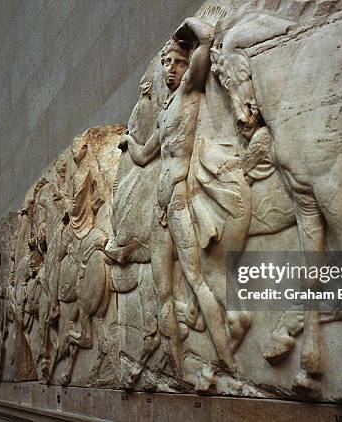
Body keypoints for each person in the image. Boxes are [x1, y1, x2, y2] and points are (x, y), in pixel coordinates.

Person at [118, 17, 236, 374]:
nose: (170, 68)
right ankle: (179, 369)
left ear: (185, 66)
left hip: (182, 199)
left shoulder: (188, 92)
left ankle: (227, 360)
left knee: (197, 281)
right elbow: (143, 156)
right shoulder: (163, 114)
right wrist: (128, 142)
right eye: (166, 63)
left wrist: (186, 24)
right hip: (160, 208)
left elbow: (207, 40)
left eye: (176, 62)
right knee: (162, 290)